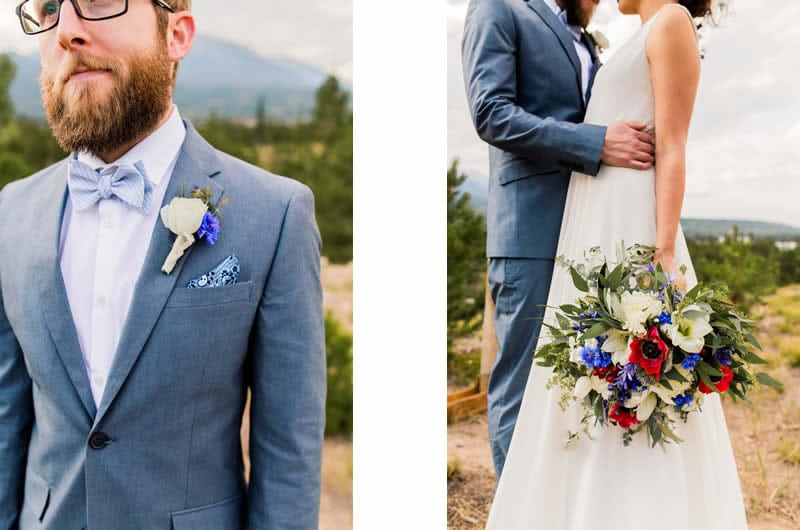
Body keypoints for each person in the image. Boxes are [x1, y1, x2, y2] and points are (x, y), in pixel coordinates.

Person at [0, 1, 326, 528]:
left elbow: (290, 447)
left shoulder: (275, 214)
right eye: (48, 9)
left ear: (176, 34)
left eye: (99, 2)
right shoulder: (9, 213)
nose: (67, 31)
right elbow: (5, 419)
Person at [484, 1, 748, 528]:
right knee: (586, 376)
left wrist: (664, 251)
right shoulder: (637, 32)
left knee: (630, 373)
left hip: (632, 227)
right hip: (592, 228)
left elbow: (672, 147)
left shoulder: (671, 21)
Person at [462, 0, 656, 479]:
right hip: (530, 230)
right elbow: (491, 113)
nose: (601, 3)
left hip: (588, 230)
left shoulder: (579, 31)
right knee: (523, 384)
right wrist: (595, 141)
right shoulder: (498, 8)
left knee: (576, 384)